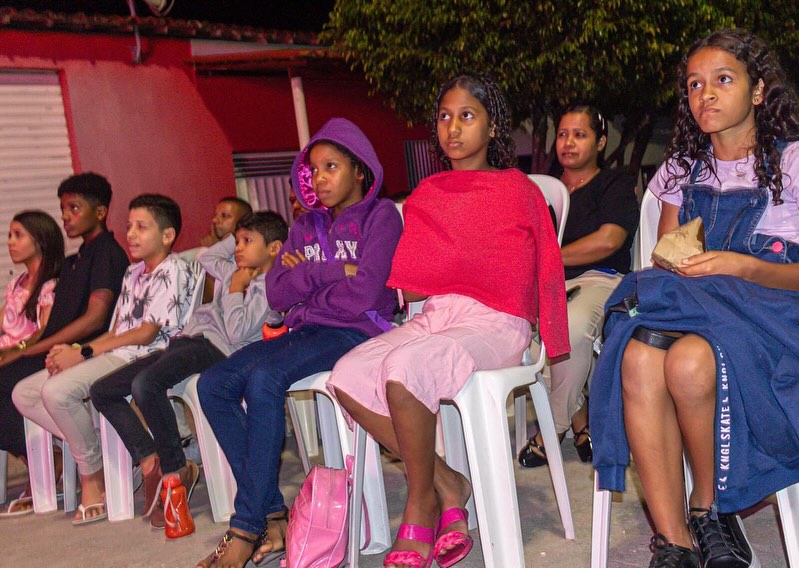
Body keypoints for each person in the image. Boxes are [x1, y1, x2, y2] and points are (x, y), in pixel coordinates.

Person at [589, 29, 799, 568]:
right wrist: (688, 265)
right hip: (698, 306)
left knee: (687, 363)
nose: (705, 94)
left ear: (758, 90)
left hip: (783, 313)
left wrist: (743, 265)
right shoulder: (681, 171)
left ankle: (708, 508)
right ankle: (674, 540)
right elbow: (669, 260)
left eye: (723, 80)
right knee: (638, 356)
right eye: (694, 84)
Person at [327, 74, 569, 568]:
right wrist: (444, 267)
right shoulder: (427, 194)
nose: (453, 128)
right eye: (444, 117)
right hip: (439, 317)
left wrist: (552, 340)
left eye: (467, 116)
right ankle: (448, 482)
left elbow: (543, 269)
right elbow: (415, 287)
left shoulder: (518, 190)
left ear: (492, 126)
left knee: (404, 368)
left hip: (497, 321)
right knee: (346, 374)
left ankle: (421, 504)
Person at [195, 117, 402, 568]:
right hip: (307, 330)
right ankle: (272, 514)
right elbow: (277, 294)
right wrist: (332, 271)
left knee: (265, 379)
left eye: (332, 167)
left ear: (360, 170)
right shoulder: (304, 227)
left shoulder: (381, 216)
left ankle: (246, 526)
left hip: (356, 331)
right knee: (213, 383)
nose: (320, 178)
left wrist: (307, 280)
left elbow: (366, 294)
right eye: (315, 170)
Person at [90, 211, 288, 530]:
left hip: (215, 350)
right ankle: (149, 457)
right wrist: (239, 237)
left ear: (274, 248)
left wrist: (236, 289)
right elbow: (207, 256)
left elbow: (237, 332)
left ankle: (175, 468)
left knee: (145, 385)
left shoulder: (270, 287)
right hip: (187, 342)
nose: (237, 248)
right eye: (237, 241)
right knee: (102, 390)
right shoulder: (233, 270)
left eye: (247, 241)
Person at [13, 194, 195, 525]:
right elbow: (114, 331)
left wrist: (84, 352)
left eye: (141, 227)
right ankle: (108, 449)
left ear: (168, 235)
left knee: (57, 392)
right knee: (23, 393)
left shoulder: (174, 269)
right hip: (117, 352)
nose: (131, 234)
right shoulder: (133, 272)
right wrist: (75, 351)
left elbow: (146, 334)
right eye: (129, 226)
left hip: (147, 356)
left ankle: (93, 475)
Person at [0, 173, 128, 517]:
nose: (66, 216)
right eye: (63, 209)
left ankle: (70, 458)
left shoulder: (107, 254)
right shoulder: (76, 260)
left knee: (9, 382)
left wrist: (29, 350)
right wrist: (20, 349)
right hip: (60, 349)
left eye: (74, 208)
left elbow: (95, 318)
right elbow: (53, 325)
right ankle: (75, 449)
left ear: (100, 212)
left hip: (89, 350)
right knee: (10, 382)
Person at [518, 103, 638, 468]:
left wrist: (548, 258)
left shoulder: (613, 183)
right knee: (515, 329)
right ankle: (580, 418)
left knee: (567, 328)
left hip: (599, 278)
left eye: (580, 135)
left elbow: (609, 239)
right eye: (563, 135)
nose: (568, 143)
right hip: (546, 282)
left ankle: (552, 428)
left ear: (600, 142)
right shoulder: (543, 192)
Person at [0, 211, 64, 353]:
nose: (10, 242)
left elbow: (45, 334)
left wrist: (14, 351)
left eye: (18, 235)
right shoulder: (17, 282)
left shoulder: (50, 288)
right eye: (10, 236)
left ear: (41, 240)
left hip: (21, 356)